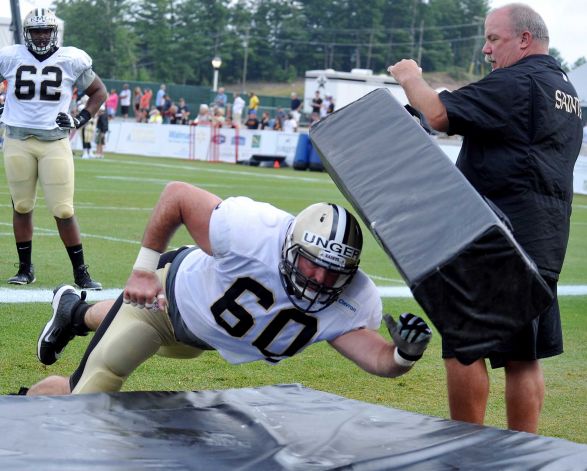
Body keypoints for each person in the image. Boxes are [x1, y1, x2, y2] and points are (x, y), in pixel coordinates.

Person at [28, 181, 432, 395]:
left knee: (115, 321)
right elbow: (178, 196)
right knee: (89, 393)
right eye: (313, 263)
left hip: (201, 339)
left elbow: (380, 361)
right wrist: (144, 269)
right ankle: (22, 417)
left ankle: (74, 312)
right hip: (162, 305)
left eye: (334, 271)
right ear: (290, 246)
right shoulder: (252, 230)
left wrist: (405, 354)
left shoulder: (352, 299)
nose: (320, 280)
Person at [388, 3, 582, 433]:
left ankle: (467, 448)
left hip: (494, 237)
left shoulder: (518, 81)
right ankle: (526, 451)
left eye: (494, 39)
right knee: (522, 357)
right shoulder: (565, 92)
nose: (486, 49)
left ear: (525, 40)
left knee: (463, 347)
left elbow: (437, 114)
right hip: (544, 240)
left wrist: (409, 77)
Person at [0, 8, 106, 289]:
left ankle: (81, 272)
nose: (42, 35)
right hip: (17, 140)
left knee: (63, 209)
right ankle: (25, 269)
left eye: (47, 30)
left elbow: (99, 92)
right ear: (28, 33)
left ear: (54, 32)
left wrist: (78, 119)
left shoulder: (70, 59)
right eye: (37, 30)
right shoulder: (11, 56)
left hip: (54, 142)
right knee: (22, 205)